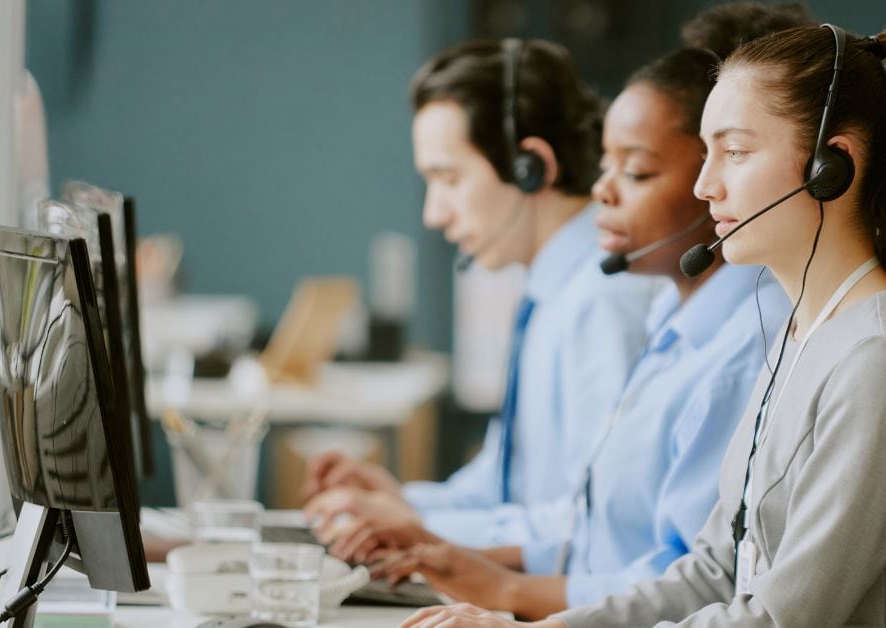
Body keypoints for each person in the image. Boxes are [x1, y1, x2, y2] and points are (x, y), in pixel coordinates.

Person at [403, 22, 886, 628]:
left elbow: (780, 619)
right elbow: (714, 571)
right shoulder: (800, 335)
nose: (705, 185)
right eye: (706, 153)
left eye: (734, 152)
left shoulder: (884, 360)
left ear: (830, 166)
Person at [321, 5, 806, 621]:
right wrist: (418, 521)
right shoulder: (664, 318)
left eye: (447, 179)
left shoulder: (640, 312)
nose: (433, 215)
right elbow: (581, 512)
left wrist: (489, 580)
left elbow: (688, 572)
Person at [302, 39, 657, 549]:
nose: (434, 213)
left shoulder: (605, 301)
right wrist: (399, 503)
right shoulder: (551, 290)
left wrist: (411, 527)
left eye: (448, 179)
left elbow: (592, 526)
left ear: (528, 165)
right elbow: (504, 487)